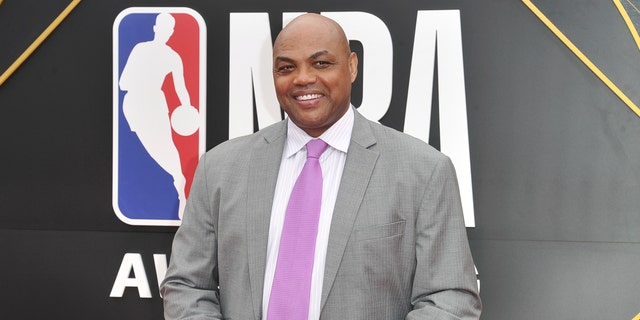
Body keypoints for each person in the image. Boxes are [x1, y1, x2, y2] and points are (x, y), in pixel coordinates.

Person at [161, 13, 481, 320]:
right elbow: (186, 286)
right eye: (286, 68)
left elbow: (449, 299)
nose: (303, 78)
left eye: (321, 63)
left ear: (352, 66)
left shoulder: (423, 171)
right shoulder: (219, 169)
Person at [119, 13, 190, 219]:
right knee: (146, 149)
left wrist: (186, 108)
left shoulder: (172, 56)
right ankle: (177, 180)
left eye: (170, 28)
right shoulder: (140, 49)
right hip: (134, 105)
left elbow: (181, 88)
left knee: (164, 146)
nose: (167, 31)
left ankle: (179, 182)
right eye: (164, 27)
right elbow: (122, 83)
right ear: (156, 27)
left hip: (153, 104)